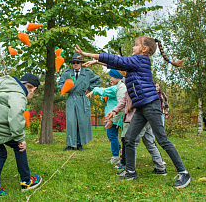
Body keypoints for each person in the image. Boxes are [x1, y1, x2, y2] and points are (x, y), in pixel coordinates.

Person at [75, 36, 192, 189]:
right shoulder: (136, 63)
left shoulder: (141, 60)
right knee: (129, 138)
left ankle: (183, 172)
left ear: (144, 49)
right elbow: (120, 67)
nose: (133, 48)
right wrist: (98, 61)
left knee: (162, 139)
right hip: (141, 107)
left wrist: (90, 54)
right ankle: (130, 171)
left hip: (151, 105)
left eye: (136, 45)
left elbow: (119, 61)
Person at [106, 91, 166, 177]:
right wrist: (115, 111)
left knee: (132, 143)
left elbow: (141, 99)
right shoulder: (131, 87)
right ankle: (160, 168)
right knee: (150, 143)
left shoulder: (137, 85)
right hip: (146, 119)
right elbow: (124, 100)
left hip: (140, 120)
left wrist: (132, 104)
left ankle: (130, 170)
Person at [58, 53, 102, 151]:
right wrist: (66, 88)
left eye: (78, 62)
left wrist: (89, 88)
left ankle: (79, 143)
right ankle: (70, 144)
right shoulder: (67, 73)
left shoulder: (87, 72)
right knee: (71, 122)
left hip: (82, 98)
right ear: (72, 63)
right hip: (71, 98)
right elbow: (60, 85)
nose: (76, 64)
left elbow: (98, 80)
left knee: (81, 122)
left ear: (81, 63)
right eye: (74, 62)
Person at [86, 69, 125, 164]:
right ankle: (120, 152)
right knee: (113, 135)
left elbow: (103, 91)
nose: (110, 79)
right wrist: (104, 99)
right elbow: (106, 96)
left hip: (114, 116)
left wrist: (93, 90)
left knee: (112, 135)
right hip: (115, 116)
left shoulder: (115, 88)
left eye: (112, 77)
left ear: (117, 77)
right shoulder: (116, 88)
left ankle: (116, 156)